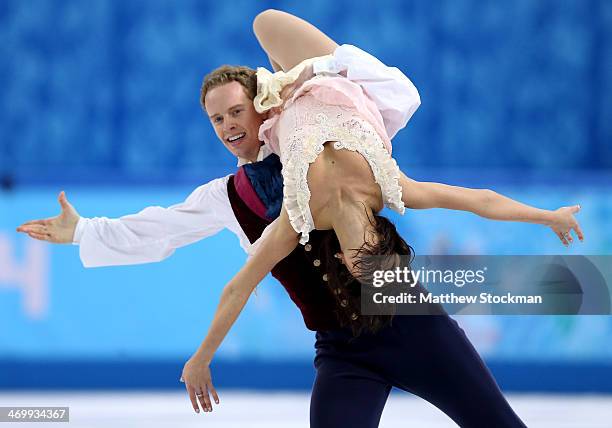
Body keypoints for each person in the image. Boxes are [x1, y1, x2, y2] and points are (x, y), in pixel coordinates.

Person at [17, 10, 584, 427]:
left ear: (263, 104)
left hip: (410, 320)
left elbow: (466, 189)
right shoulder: (230, 197)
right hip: (341, 349)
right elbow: (162, 231)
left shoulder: (334, 145)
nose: (227, 126)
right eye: (216, 119)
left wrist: (544, 215)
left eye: (236, 111)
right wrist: (86, 232)